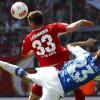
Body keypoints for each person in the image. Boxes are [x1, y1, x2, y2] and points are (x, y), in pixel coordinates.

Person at [21, 10, 94, 100]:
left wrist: (34, 50)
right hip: (61, 67)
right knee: (75, 86)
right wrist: (81, 21)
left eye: (29, 22)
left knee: (33, 97)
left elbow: (25, 54)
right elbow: (70, 28)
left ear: (32, 22)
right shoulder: (52, 27)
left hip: (45, 72)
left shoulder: (28, 38)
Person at [0, 38, 99, 100]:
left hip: (52, 73)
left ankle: (1, 63)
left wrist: (86, 43)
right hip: (56, 89)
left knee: (26, 75)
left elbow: (70, 45)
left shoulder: (85, 54)